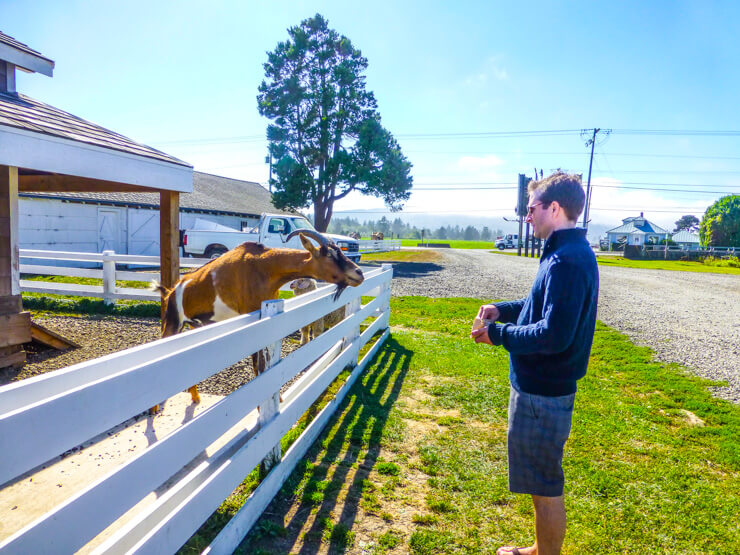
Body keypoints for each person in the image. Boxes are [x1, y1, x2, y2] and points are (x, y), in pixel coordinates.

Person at [471, 172, 599, 555]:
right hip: (540, 390)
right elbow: (538, 305)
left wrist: (499, 335)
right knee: (539, 481)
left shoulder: (566, 260)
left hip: (543, 395)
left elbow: (552, 334)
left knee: (544, 485)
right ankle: (538, 548)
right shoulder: (565, 253)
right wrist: (502, 310)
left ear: (554, 208)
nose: (526, 216)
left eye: (531, 208)